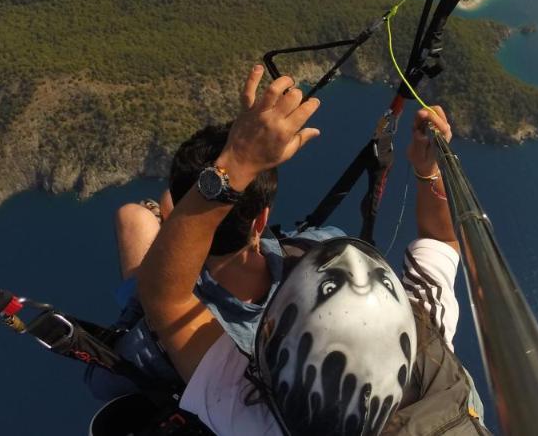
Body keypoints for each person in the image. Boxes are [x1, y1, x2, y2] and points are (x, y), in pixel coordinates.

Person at [138, 65, 487, 435]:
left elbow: (163, 298)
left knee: (134, 217)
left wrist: (238, 158)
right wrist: (428, 168)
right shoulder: (429, 346)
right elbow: (441, 239)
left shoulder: (262, 421)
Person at [90, 78, 340, 401]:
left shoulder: (168, 325)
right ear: (261, 220)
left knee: (133, 217)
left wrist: (239, 158)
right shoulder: (322, 244)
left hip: (166, 300)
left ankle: (172, 212)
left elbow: (102, 380)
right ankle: (172, 210)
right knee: (138, 214)